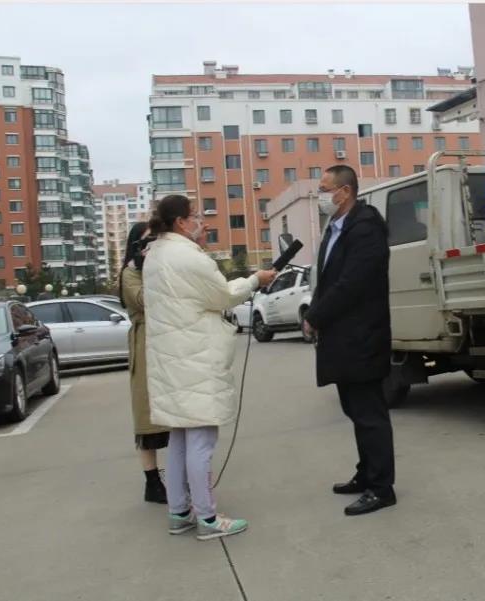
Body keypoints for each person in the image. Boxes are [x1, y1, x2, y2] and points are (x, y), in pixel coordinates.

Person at [143, 194, 276, 541]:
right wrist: (254, 280)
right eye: (195, 215)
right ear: (180, 222)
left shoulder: (155, 254)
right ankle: (207, 517)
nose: (201, 221)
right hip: (195, 358)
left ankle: (179, 512)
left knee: (179, 439)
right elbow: (223, 296)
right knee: (201, 440)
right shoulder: (188, 256)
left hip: (173, 360)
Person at [303, 165, 396, 516]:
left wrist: (316, 316)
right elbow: (329, 280)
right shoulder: (336, 227)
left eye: (325, 189)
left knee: (370, 414)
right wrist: (316, 311)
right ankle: (366, 473)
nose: (321, 196)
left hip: (362, 336)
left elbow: (352, 284)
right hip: (343, 337)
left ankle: (382, 488)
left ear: (345, 191)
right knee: (355, 411)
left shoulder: (366, 228)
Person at [119, 221, 169, 504]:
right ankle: (152, 482)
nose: (153, 244)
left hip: (169, 340)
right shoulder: (130, 272)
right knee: (147, 415)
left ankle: (182, 475)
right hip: (146, 343)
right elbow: (143, 300)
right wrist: (149, 268)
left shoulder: (163, 265)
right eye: (148, 240)